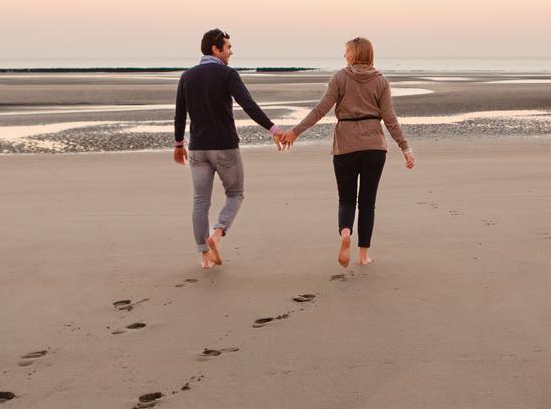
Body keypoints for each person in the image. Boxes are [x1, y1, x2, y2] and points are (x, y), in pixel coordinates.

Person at [280, 37, 413, 268]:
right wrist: (405, 147)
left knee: (346, 198)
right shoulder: (381, 81)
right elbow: (390, 119)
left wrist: (295, 132)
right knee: (368, 203)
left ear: (355, 53)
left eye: (347, 52)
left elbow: (320, 110)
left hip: (345, 146)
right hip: (374, 147)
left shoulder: (340, 77)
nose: (345, 56)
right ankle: (363, 256)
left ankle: (345, 233)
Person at [172, 28, 286, 269]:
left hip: (198, 148)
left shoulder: (187, 76)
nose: (231, 52)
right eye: (228, 47)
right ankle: (217, 234)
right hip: (225, 146)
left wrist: (178, 144)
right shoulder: (227, 74)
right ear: (216, 48)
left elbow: (180, 113)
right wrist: (273, 129)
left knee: (200, 201)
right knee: (235, 194)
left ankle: (204, 257)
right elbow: (248, 105)